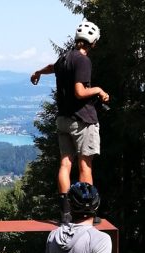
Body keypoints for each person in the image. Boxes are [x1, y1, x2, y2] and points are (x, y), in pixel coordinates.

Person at [30, 21, 109, 223]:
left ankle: (66, 212)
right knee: (85, 166)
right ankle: (87, 213)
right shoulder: (83, 61)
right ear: (93, 43)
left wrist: (38, 72)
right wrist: (99, 90)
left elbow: (52, 67)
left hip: (63, 120)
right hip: (82, 120)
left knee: (65, 164)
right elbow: (80, 91)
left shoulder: (64, 57)